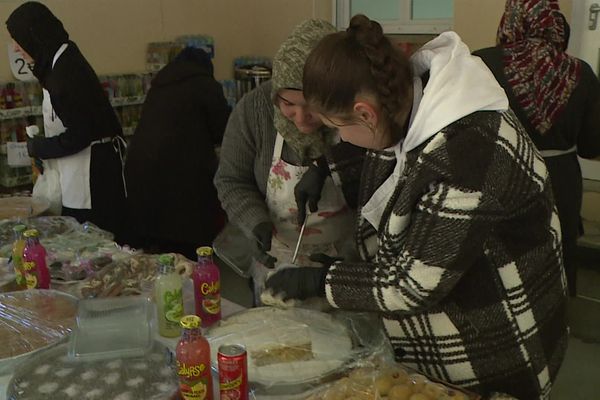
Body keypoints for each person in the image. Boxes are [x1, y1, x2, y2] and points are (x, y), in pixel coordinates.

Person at [265, 14, 568, 399]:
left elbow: (410, 284)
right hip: (441, 337)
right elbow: (393, 152)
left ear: (365, 113)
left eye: (338, 126)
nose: (340, 138)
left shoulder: (470, 155)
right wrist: (323, 167)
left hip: (494, 346)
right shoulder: (405, 99)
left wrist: (321, 282)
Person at [214, 19, 364, 275]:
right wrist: (255, 222)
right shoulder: (254, 110)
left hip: (345, 263)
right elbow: (231, 180)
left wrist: (352, 255)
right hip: (277, 260)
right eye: (288, 104)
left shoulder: (355, 113)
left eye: (313, 105)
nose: (301, 117)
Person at [473, 0, 600, 297]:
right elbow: (591, 146)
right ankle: (558, 328)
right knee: (559, 261)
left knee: (499, 260)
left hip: (499, 177)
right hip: (561, 184)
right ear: (556, 25)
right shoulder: (582, 73)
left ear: (510, 22)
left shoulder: (480, 64)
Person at [6, 2, 126, 238]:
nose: (16, 49)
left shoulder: (66, 72)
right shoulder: (57, 63)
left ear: (34, 35)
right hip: (78, 173)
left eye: (18, 40)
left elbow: (80, 134)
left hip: (93, 177)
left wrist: (39, 147)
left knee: (98, 243)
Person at [124, 47, 230, 259]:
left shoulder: (159, 85)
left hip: (141, 170)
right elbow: (223, 129)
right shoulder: (206, 85)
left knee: (157, 242)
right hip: (183, 177)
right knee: (188, 241)